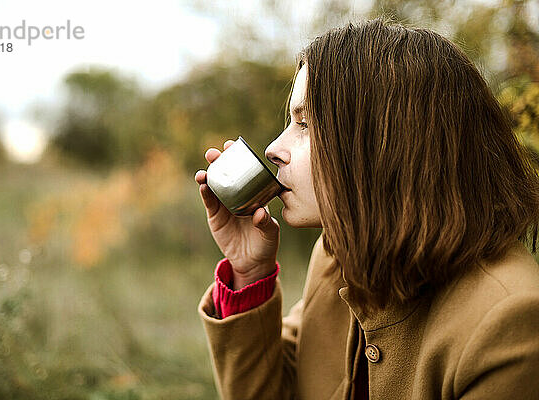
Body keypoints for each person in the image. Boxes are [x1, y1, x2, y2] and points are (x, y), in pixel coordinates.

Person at [194, 17, 539, 400]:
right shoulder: (337, 256)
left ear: (385, 143)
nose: (274, 148)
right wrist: (248, 275)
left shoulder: (510, 320)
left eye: (305, 124)